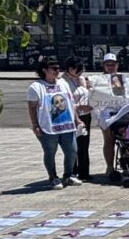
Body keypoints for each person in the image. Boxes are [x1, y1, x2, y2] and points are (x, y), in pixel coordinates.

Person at [26, 56, 82, 190]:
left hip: (67, 124)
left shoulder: (63, 83)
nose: (57, 71)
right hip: (49, 126)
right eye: (54, 68)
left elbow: (70, 103)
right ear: (44, 70)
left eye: (58, 68)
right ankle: (53, 176)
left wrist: (77, 119)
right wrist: (35, 125)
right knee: (50, 152)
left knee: (72, 150)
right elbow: (32, 107)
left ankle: (69, 175)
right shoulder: (36, 87)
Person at [97, 53, 127, 182]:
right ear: (104, 65)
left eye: (113, 64)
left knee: (126, 138)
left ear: (117, 65)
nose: (110, 67)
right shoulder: (98, 79)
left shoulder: (123, 78)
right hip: (106, 112)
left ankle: (127, 164)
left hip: (121, 111)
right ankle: (109, 166)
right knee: (109, 140)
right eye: (107, 64)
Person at [62, 57, 92, 181]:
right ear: (70, 69)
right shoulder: (63, 82)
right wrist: (78, 107)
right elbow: (65, 101)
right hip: (72, 115)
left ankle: (84, 172)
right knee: (72, 145)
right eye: (78, 70)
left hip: (85, 114)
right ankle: (72, 172)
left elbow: (86, 94)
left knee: (84, 145)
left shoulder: (81, 79)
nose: (80, 73)